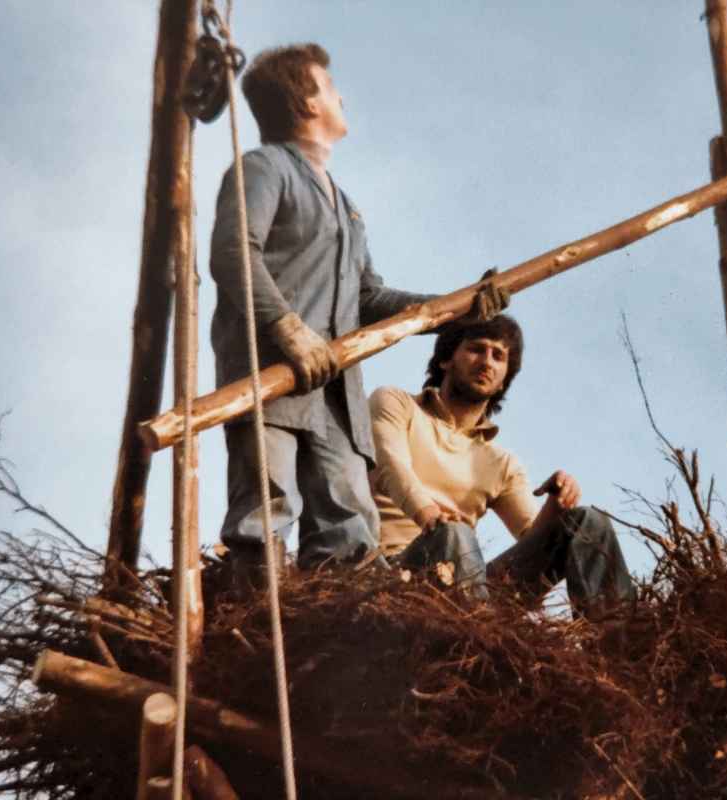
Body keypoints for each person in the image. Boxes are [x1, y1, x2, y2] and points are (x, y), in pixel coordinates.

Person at [209, 43, 503, 577]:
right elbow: (232, 251)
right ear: (307, 103)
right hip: (271, 374)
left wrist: (458, 311)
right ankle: (250, 604)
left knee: (350, 533)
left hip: (336, 395)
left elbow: (368, 299)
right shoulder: (263, 168)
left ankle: (336, 626)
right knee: (266, 511)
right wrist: (287, 329)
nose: (340, 96)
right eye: (329, 86)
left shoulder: (346, 208)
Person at [368, 315, 635, 616]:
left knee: (589, 522)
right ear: (445, 359)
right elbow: (392, 465)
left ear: (504, 379)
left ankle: (618, 634)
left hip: (471, 587)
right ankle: (476, 633)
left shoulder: (502, 463)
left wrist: (556, 505)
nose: (487, 362)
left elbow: (531, 540)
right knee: (454, 533)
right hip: (398, 571)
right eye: (476, 349)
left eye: (498, 356)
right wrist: (430, 515)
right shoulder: (397, 404)